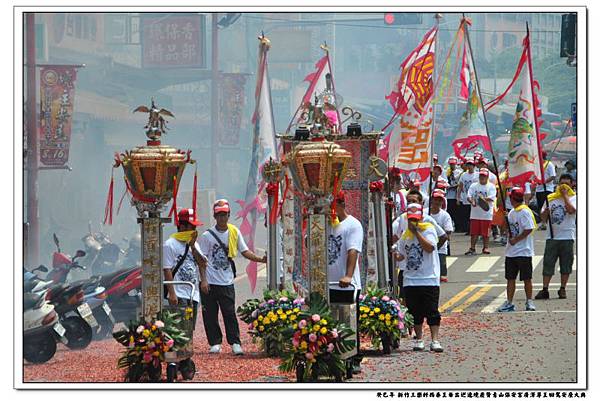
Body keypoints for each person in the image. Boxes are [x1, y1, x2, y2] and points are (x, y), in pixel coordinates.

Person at [199, 199, 267, 355]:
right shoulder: (207, 236)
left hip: (226, 280)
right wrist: (203, 280)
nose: (222, 218)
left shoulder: (234, 232)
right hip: (209, 281)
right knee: (210, 314)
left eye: (225, 215)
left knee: (229, 312)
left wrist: (260, 259)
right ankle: (215, 342)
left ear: (229, 215)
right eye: (219, 215)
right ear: (215, 216)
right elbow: (202, 261)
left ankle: (235, 342)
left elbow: (245, 252)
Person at [396, 203, 443, 352]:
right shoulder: (405, 235)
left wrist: (417, 233)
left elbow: (429, 248)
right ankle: (419, 338)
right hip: (411, 279)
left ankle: (435, 339)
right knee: (415, 311)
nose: (413, 223)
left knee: (432, 310)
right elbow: (402, 254)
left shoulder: (428, 229)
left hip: (429, 278)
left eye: (416, 219)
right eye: (411, 220)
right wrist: (395, 255)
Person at [328, 190, 364, 371]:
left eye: (332, 205)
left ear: (341, 204)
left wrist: (348, 275)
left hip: (346, 285)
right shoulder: (324, 224)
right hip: (327, 283)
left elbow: (353, 251)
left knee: (348, 322)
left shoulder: (353, 225)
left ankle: (354, 357)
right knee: (328, 322)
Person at [163, 208, 209, 327]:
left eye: (195, 228)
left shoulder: (195, 244)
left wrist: (193, 247)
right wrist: (172, 293)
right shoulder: (170, 244)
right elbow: (167, 269)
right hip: (179, 294)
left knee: (189, 326)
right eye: (191, 227)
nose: (194, 231)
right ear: (182, 227)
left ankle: (189, 346)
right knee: (180, 327)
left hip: (192, 293)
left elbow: (202, 264)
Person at [535, 174, 577, 300]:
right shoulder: (550, 198)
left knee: (566, 265)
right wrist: (545, 213)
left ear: (572, 185)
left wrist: (565, 196)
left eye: (567, 184)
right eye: (561, 184)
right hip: (552, 237)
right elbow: (543, 219)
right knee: (548, 264)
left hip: (567, 236)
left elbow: (571, 210)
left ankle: (563, 288)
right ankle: (545, 289)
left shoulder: (574, 197)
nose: (563, 187)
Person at [497, 188, 537, 312]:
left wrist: (516, 240)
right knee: (510, 278)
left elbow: (529, 228)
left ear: (513, 199)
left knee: (526, 278)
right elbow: (504, 229)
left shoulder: (524, 212)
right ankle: (509, 302)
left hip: (524, 251)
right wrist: (504, 219)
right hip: (511, 252)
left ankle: (529, 301)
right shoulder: (512, 212)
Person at [465, 168, 496, 255]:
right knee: (474, 232)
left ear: (487, 177)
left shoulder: (491, 186)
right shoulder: (474, 186)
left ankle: (485, 248)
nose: (482, 177)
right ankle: (472, 248)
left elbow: (491, 198)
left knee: (485, 233)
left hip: (486, 214)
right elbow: (469, 196)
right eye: (481, 176)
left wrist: (481, 199)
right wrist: (472, 201)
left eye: (484, 176)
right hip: (475, 214)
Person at [428, 190, 454, 282]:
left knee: (442, 277)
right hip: (425, 246)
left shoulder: (445, 215)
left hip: (440, 247)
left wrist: (437, 246)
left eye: (440, 200)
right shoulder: (424, 213)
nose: (437, 202)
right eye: (435, 200)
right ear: (431, 200)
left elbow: (448, 232)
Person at [536, 151, 557, 231]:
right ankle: (543, 222)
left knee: (546, 207)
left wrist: (544, 182)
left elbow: (553, 176)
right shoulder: (538, 166)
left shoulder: (549, 164)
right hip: (539, 189)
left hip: (547, 189)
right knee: (540, 207)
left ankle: (546, 223)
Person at [456, 158, 477, 233]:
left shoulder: (477, 175)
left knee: (472, 215)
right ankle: (468, 229)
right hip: (465, 198)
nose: (469, 166)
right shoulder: (464, 175)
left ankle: (473, 230)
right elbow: (460, 186)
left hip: (473, 199)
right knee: (465, 215)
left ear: (474, 166)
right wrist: (458, 198)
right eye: (468, 165)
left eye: (471, 165)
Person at [445, 156, 462, 226]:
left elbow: (459, 183)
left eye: (453, 164)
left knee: (456, 212)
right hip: (448, 195)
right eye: (451, 164)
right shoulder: (446, 172)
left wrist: (453, 186)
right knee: (449, 211)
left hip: (455, 195)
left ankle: (458, 225)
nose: (452, 165)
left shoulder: (459, 172)